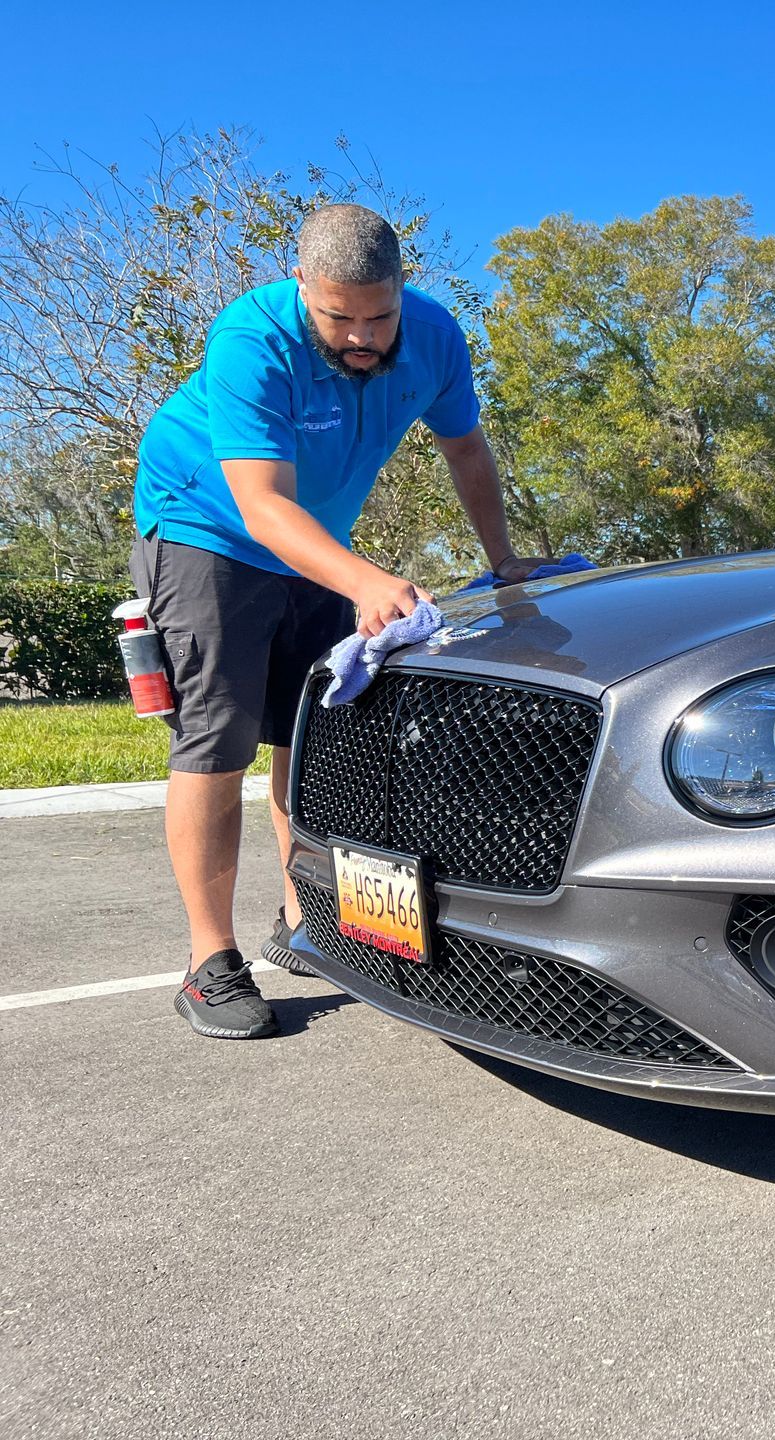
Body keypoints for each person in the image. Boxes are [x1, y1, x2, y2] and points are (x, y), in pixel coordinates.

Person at [132, 203, 552, 1040]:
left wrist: (505, 560)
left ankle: (305, 920)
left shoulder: (435, 334)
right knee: (218, 737)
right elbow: (260, 504)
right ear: (302, 289)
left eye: (379, 316)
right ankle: (209, 963)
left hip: (320, 541)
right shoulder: (252, 338)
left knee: (310, 735)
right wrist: (363, 579)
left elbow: (465, 448)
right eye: (339, 318)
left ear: (404, 291)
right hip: (208, 528)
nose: (362, 337)